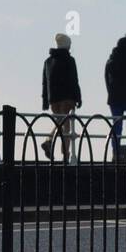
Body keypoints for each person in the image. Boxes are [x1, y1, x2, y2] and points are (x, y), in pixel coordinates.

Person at [41, 33, 82, 161]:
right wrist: (78, 97)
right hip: (67, 97)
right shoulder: (69, 60)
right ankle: (65, 154)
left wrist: (45, 100)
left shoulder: (48, 61)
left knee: (59, 121)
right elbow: (74, 80)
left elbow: (45, 82)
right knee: (67, 127)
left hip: (53, 98)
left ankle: (49, 140)